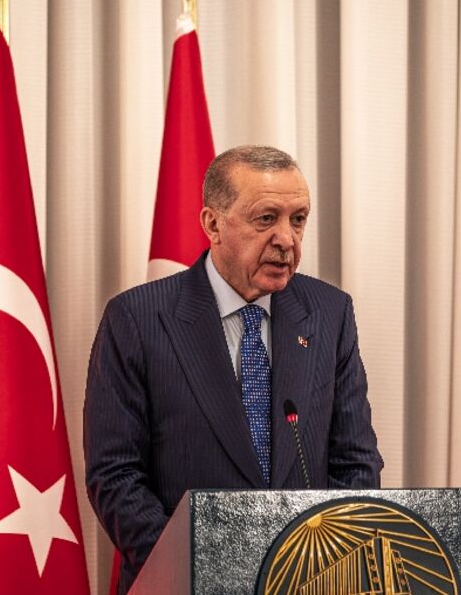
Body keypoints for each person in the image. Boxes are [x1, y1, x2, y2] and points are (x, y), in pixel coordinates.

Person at [83, 145, 383, 592]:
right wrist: (201, 571)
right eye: (266, 218)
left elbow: (356, 462)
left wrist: (324, 564)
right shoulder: (138, 318)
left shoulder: (329, 313)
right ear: (213, 224)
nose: (287, 239)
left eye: (298, 219)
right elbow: (115, 475)